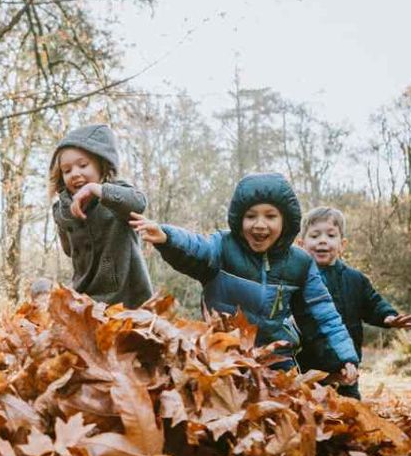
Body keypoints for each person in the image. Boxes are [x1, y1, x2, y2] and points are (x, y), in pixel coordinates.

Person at [129, 172, 359, 384]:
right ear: (240, 220)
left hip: (275, 357)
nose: (259, 224)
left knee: (287, 408)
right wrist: (167, 237)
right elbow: (196, 247)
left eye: (270, 216)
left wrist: (343, 358)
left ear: (285, 221)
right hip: (224, 353)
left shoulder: (300, 263)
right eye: (251, 216)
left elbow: (321, 314)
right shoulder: (222, 248)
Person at [295, 206, 411, 398]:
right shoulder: (296, 280)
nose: (323, 241)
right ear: (301, 245)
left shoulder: (355, 279)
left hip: (347, 366)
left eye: (330, 235)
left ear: (342, 244)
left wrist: (388, 316)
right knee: (309, 413)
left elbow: (372, 302)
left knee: (350, 412)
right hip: (308, 367)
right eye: (315, 235)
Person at [50, 124, 153, 309]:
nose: (75, 174)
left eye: (83, 165)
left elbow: (139, 203)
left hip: (128, 301)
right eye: (67, 170)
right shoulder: (62, 210)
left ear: (101, 164)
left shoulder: (116, 197)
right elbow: (69, 250)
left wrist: (97, 190)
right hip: (87, 301)